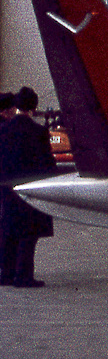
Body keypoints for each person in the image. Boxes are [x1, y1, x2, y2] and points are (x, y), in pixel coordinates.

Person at [0, 88, 58, 288]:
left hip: (7, 188)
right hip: (30, 187)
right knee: (28, 234)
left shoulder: (3, 129)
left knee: (9, 231)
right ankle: (23, 277)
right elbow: (47, 162)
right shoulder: (38, 131)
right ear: (33, 107)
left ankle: (6, 275)